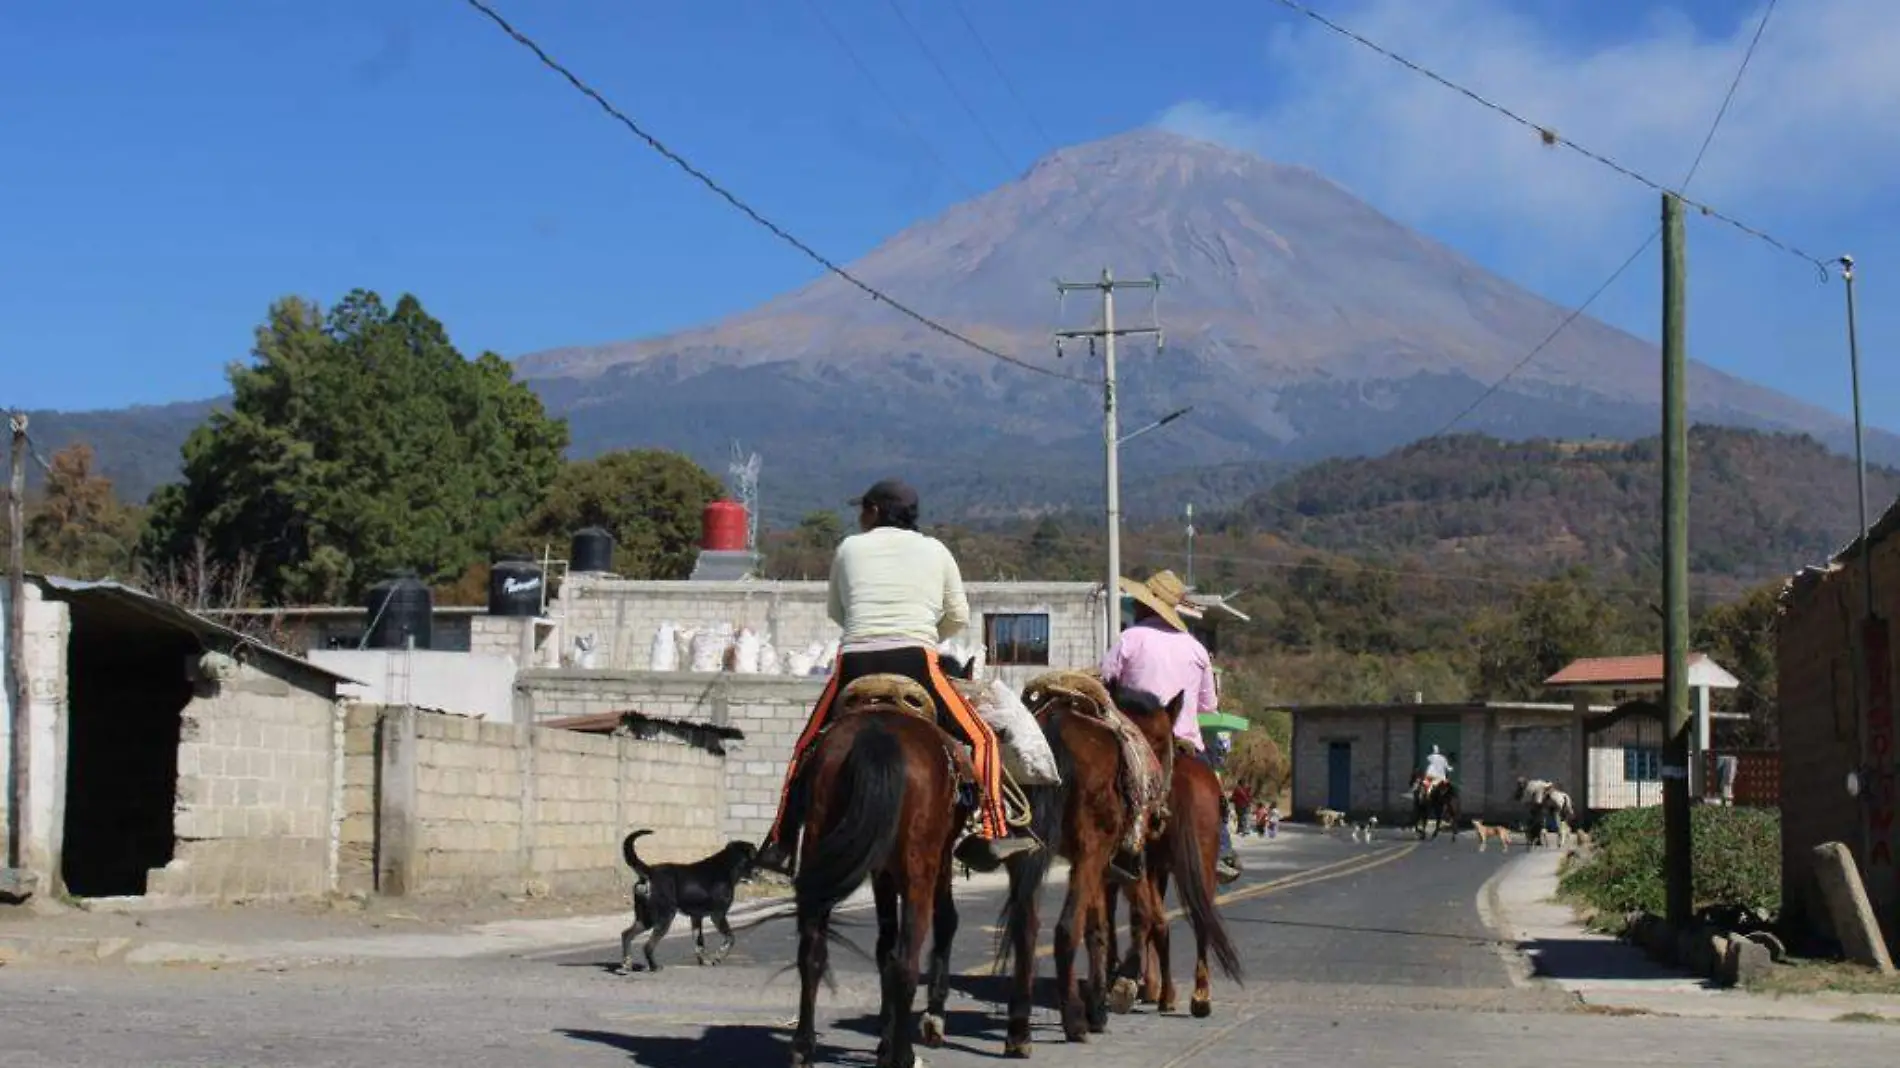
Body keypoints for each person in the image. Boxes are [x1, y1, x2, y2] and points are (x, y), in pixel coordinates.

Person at [754, 479, 1040, 878]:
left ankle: (781, 842)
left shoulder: (849, 547)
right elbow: (957, 615)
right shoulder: (936, 551)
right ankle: (994, 829)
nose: (859, 517)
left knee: (806, 746)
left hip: (855, 660)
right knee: (983, 740)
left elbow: (837, 611)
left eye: (863, 510)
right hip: (916, 661)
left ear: (874, 512)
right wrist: (923, 635)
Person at [1100, 569, 1242, 884]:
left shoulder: (1130, 637)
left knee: (1102, 788)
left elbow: (1105, 685)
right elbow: (1209, 706)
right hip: (1185, 743)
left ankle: (1106, 845)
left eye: (1139, 601)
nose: (1135, 606)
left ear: (1147, 606)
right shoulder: (1196, 649)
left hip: (1138, 741)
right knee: (1213, 791)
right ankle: (1223, 852)